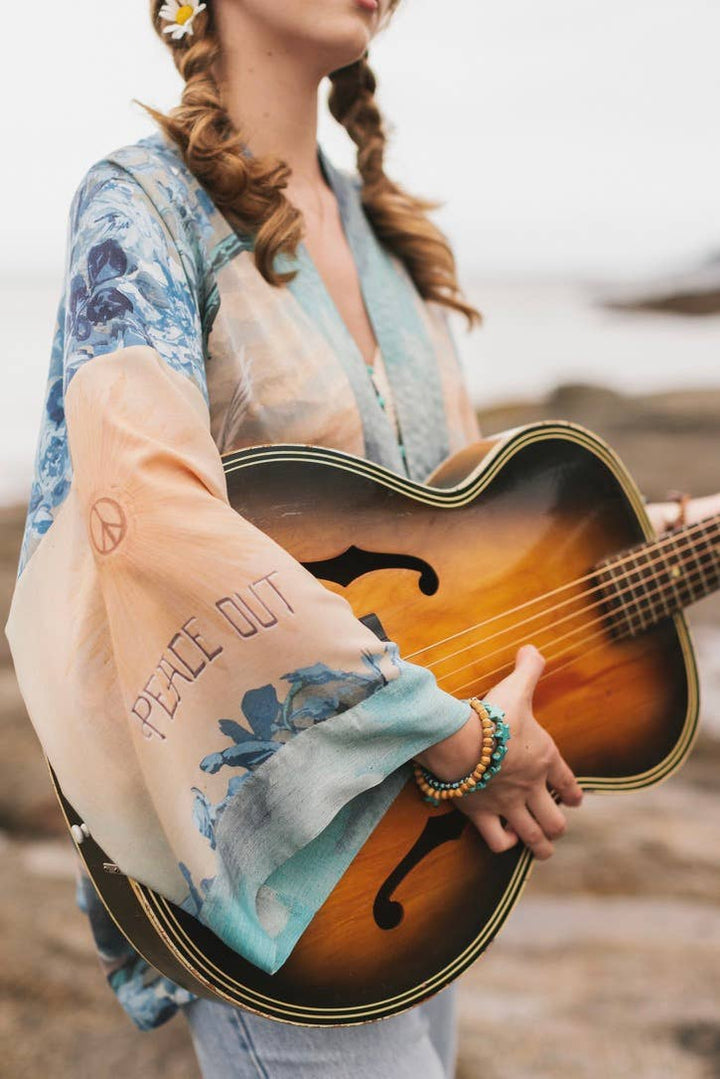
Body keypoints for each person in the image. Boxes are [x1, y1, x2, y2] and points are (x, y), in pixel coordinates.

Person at [6, 1, 720, 1076]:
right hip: (278, 882)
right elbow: (144, 514)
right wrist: (454, 737)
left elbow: (478, 537)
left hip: (418, 882)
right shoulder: (143, 203)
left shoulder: (386, 236)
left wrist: (673, 537)